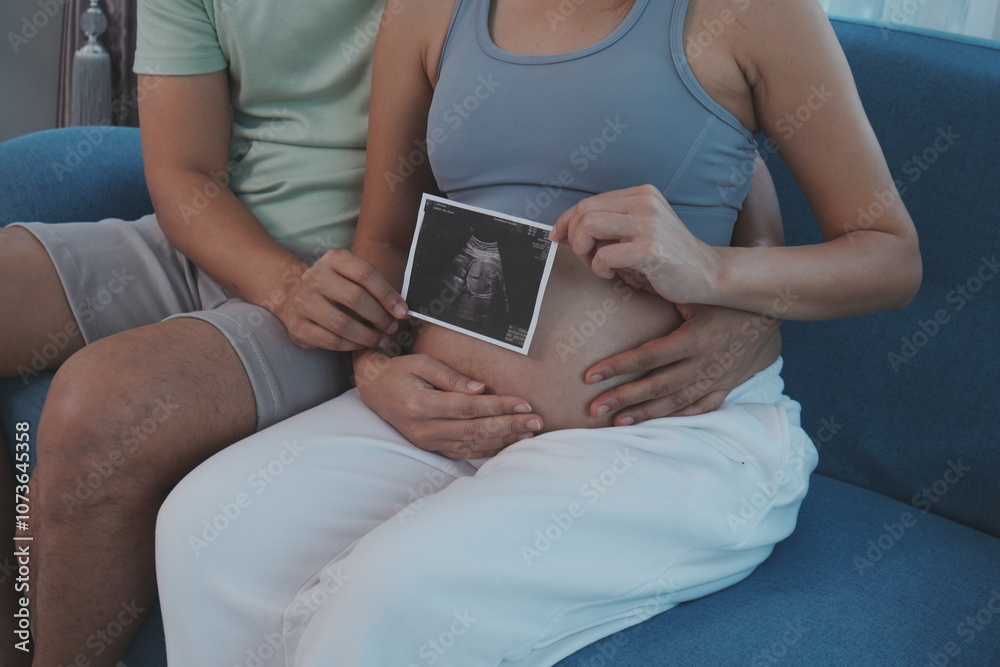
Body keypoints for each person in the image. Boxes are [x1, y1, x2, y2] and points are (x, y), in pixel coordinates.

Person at [0, 1, 786, 665]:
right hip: (237, 242)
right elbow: (183, 173)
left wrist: (751, 294)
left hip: (378, 281)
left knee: (96, 406)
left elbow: (679, 112)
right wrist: (281, 284)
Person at [153, 0, 920, 664]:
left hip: (666, 436)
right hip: (450, 417)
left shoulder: (755, 15)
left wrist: (713, 270)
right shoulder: (427, 12)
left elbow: (889, 254)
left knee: (392, 596)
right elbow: (387, 237)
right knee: (203, 531)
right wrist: (376, 366)